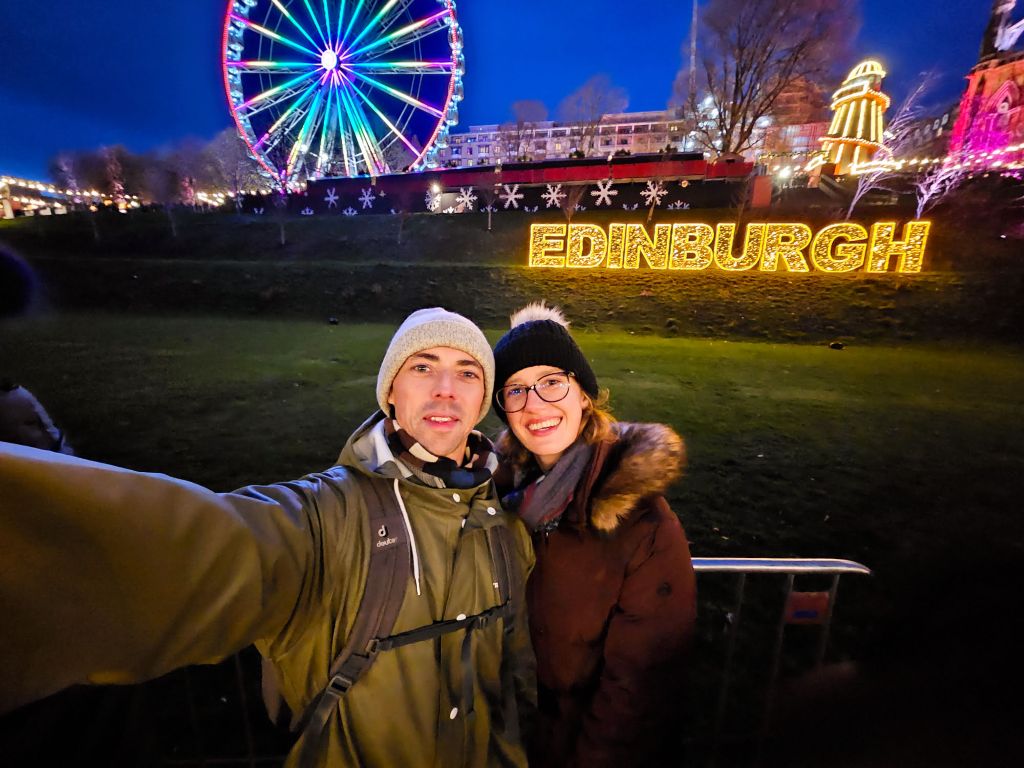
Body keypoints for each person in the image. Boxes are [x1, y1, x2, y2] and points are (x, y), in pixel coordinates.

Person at [0, 307, 534, 768]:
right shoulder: (329, 516)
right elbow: (197, 549)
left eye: (467, 373)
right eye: (423, 367)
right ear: (390, 393)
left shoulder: (509, 526)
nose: (446, 388)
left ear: (483, 398)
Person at [491, 302, 697, 768]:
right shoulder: (501, 497)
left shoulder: (643, 526)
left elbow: (637, 693)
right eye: (516, 389)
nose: (535, 404)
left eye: (551, 383)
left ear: (583, 394)